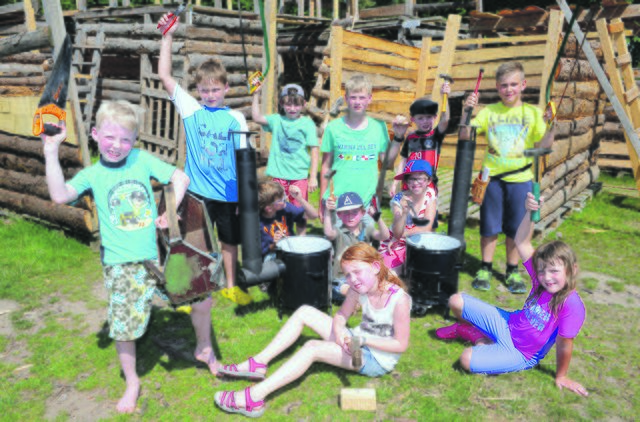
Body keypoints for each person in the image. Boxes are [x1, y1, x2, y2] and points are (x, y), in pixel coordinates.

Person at [42, 101, 220, 414]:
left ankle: (204, 349)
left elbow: (180, 178)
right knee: (125, 328)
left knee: (202, 297)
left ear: (134, 141)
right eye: (110, 137)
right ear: (96, 135)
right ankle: (132, 381)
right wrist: (50, 151)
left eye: (125, 139)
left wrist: (170, 210)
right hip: (121, 265)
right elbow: (59, 195)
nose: (117, 145)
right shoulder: (92, 174)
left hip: (159, 255)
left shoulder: (140, 159)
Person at [213, 243, 412, 417]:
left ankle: (253, 397)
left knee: (312, 348)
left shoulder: (399, 299)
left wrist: (363, 342)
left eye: (357, 272)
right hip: (356, 341)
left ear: (376, 267)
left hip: (375, 358)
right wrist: (340, 330)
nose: (352, 279)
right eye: (348, 275)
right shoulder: (358, 287)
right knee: (305, 311)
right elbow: (342, 315)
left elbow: (400, 345)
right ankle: (258, 363)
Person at [435, 193, 588, 397]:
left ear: (572, 270)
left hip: (520, 353)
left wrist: (561, 376)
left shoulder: (572, 305)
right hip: (507, 323)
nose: (547, 277)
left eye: (554, 271)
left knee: (466, 359)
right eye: (542, 271)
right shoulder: (540, 280)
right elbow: (521, 242)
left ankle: (476, 336)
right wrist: (529, 212)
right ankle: (473, 332)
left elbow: (565, 343)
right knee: (456, 301)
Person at [158, 12, 252, 305]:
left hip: (227, 194)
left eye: (215, 89)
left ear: (226, 89)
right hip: (197, 192)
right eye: (205, 89)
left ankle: (230, 285)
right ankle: (190, 288)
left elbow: (244, 160)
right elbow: (164, 75)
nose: (210, 95)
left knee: (228, 241)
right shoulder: (191, 108)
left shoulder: (236, 118)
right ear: (197, 90)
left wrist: (242, 199)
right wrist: (167, 36)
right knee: (192, 241)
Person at [461, 61, 555, 293]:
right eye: (504, 85)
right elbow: (465, 135)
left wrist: (552, 125)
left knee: (515, 229)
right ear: (497, 87)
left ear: (523, 85)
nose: (509, 89)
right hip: (491, 178)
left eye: (513, 84)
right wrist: (466, 110)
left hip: (520, 179)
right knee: (489, 226)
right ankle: (485, 268)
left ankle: (512, 271)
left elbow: (543, 146)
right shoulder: (489, 112)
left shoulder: (533, 113)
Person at [252, 83, 319, 235]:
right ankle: (279, 240)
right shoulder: (276, 120)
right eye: (288, 104)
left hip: (298, 177)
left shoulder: (307, 123)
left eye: (296, 105)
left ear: (304, 104)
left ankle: (300, 243)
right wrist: (256, 94)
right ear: (282, 103)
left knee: (300, 213)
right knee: (277, 211)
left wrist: (313, 177)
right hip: (278, 177)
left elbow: (315, 150)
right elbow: (256, 117)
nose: (292, 108)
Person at [319, 75, 390, 218]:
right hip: (337, 201)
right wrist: (322, 201)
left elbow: (388, 163)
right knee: (339, 239)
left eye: (362, 97)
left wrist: (399, 139)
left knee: (364, 241)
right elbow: (326, 166)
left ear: (370, 99)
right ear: (346, 99)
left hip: (366, 203)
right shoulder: (333, 128)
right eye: (353, 97)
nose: (357, 102)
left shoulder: (379, 128)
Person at [387, 82, 451, 198]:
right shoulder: (410, 138)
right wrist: (395, 183)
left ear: (435, 117)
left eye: (429, 117)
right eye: (420, 118)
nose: (425, 121)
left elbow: (445, 120)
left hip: (428, 186)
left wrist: (445, 96)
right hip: (409, 185)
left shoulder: (436, 135)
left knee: (427, 214)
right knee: (407, 214)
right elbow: (404, 161)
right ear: (413, 119)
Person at [324, 191, 390, 303]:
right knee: (345, 289)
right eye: (345, 213)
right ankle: (358, 297)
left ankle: (363, 296)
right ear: (339, 215)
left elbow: (385, 235)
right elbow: (329, 233)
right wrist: (327, 211)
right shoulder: (338, 232)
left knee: (385, 278)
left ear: (363, 213)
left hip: (364, 275)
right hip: (343, 278)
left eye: (354, 212)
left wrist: (377, 218)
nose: (350, 217)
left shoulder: (367, 229)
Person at [379, 160, 437, 273]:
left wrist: (402, 235)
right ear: (406, 180)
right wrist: (404, 212)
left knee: (422, 272)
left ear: (428, 180)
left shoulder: (430, 194)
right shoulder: (399, 199)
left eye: (420, 178)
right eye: (411, 178)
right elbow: (397, 232)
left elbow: (427, 227)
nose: (415, 183)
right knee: (389, 274)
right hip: (397, 241)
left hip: (418, 240)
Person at [259, 180, 319, 260]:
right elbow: (263, 251)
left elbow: (314, 215)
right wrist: (275, 244)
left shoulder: (285, 208)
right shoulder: (259, 223)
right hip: (271, 256)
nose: (285, 199)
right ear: (269, 209)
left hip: (289, 250)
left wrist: (300, 199)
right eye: (281, 200)